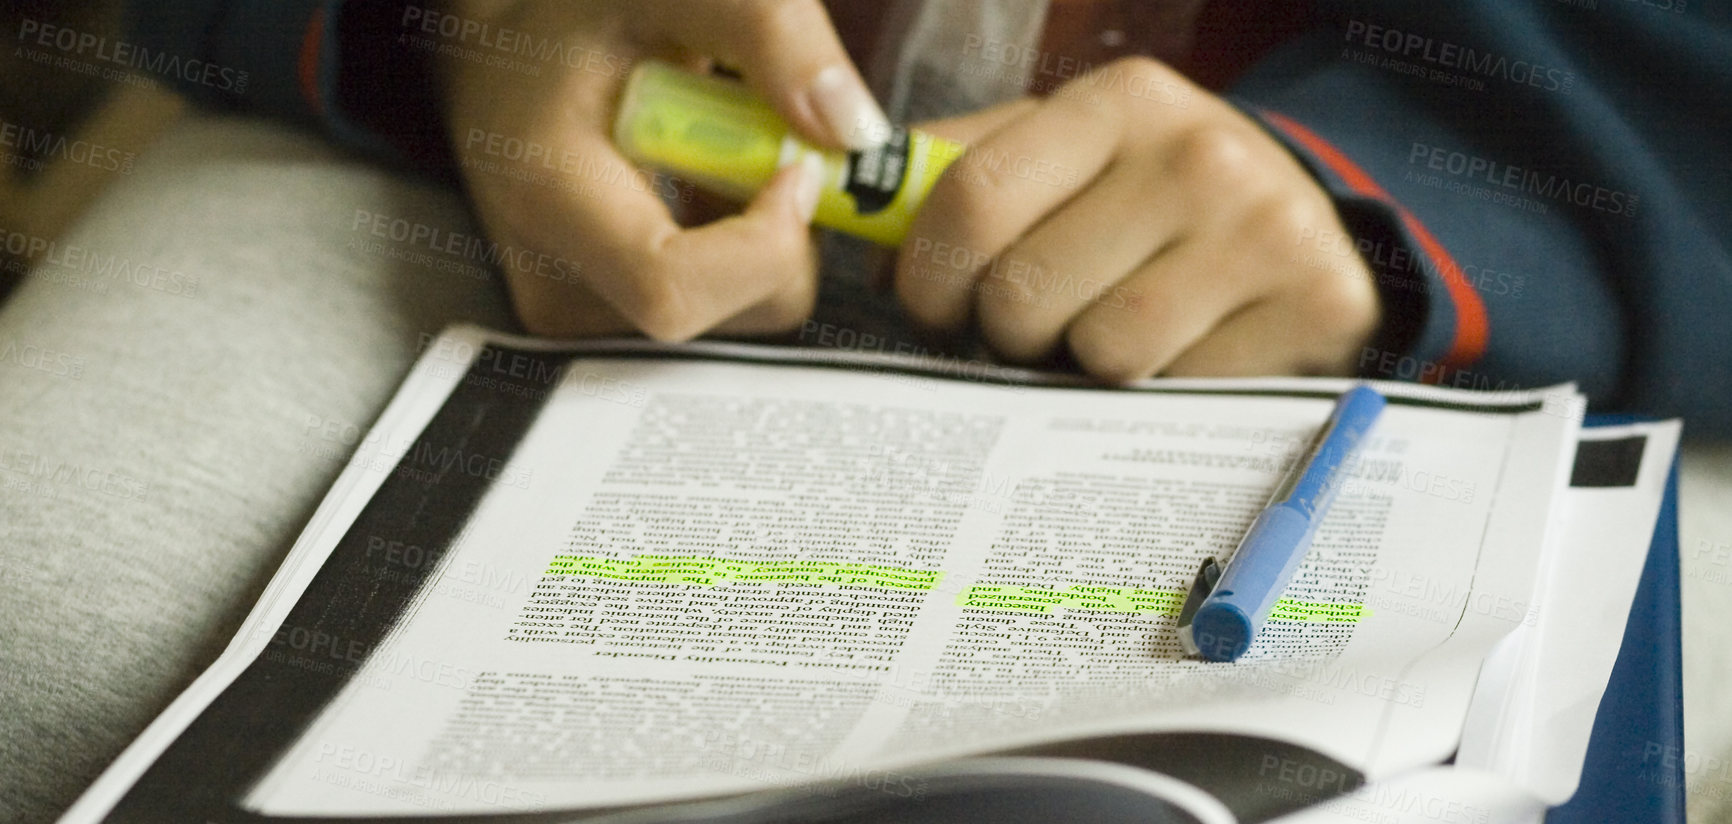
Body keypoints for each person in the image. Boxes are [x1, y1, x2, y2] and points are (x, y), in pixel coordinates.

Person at [110, 0, 1732, 427]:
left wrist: (1402, 203)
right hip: (461, 163)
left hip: (1449, 308)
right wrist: (472, 31)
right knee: (45, 612)